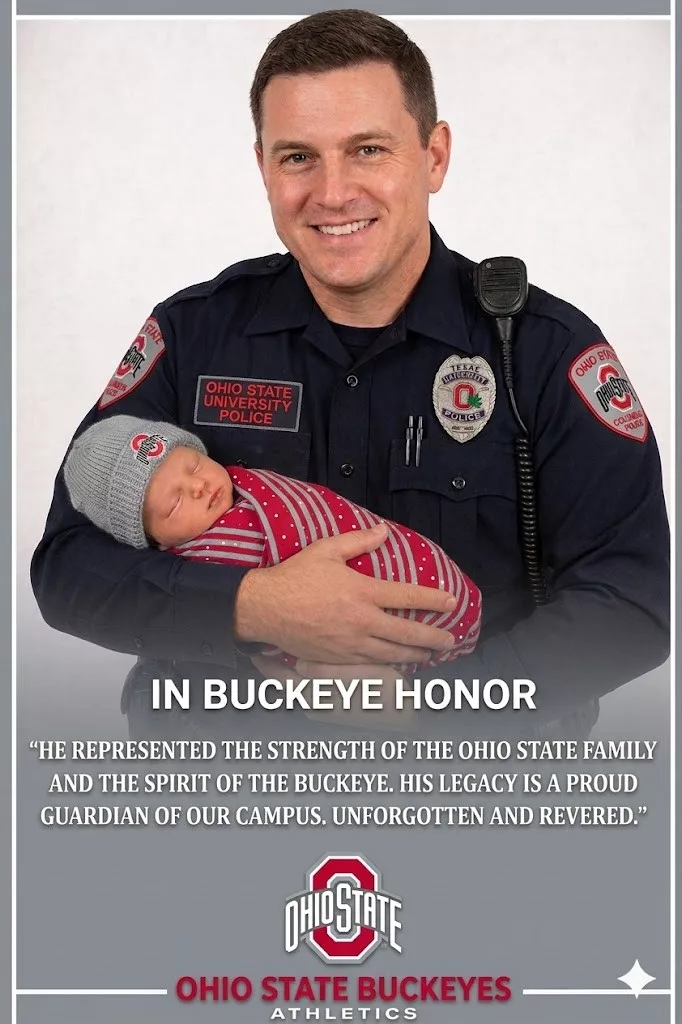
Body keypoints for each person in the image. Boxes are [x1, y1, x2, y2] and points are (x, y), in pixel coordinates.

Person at [31, 10, 669, 735]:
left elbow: (633, 603)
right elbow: (65, 569)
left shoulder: (543, 351)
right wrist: (253, 606)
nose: (332, 193)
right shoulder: (195, 333)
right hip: (224, 790)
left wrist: (431, 710)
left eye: (368, 149)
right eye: (298, 156)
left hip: (467, 799)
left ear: (434, 156)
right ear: (263, 165)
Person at [62, 414, 481, 672]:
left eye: (192, 464)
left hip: (455, 630)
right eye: (173, 504)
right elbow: (62, 573)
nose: (197, 487)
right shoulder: (210, 555)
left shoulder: (243, 487)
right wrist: (257, 608)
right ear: (150, 540)